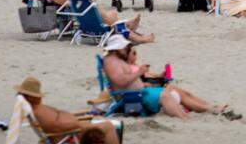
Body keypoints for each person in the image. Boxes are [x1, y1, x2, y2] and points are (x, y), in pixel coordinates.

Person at [100, 36, 237, 119]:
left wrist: (143, 76)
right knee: (166, 95)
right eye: (124, 47)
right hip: (133, 97)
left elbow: (125, 78)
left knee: (177, 91)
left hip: (139, 92)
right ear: (117, 49)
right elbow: (121, 81)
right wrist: (139, 72)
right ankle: (187, 117)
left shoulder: (116, 60)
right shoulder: (112, 63)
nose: (126, 49)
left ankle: (210, 108)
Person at [12, 77, 127, 144]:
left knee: (103, 125)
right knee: (109, 126)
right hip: (70, 136)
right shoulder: (39, 112)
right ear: (32, 96)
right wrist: (78, 123)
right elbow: (57, 127)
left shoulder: (35, 108)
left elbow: (57, 123)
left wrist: (80, 118)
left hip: (73, 131)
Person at [30, 0, 152, 42]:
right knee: (111, 17)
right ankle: (135, 32)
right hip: (73, 10)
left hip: (74, 10)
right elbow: (62, 1)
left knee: (108, 11)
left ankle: (128, 25)